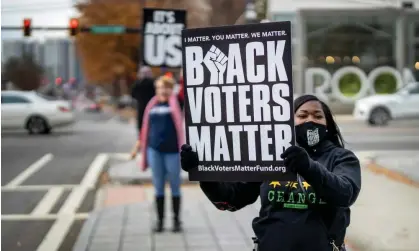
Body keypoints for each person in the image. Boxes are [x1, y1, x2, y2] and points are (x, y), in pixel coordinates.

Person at [180, 94, 362, 251]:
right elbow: (232, 198)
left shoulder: (342, 158)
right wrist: (203, 173)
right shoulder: (270, 156)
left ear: (327, 124)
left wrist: (308, 167)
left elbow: (345, 194)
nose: (310, 120)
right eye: (302, 115)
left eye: (317, 115)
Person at [130, 75, 184, 233]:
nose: (163, 91)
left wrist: (182, 75)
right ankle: (160, 222)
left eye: (166, 87)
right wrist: (137, 147)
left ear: (171, 89)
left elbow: (184, 90)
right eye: (160, 87)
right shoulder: (151, 105)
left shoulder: (177, 104)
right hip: (154, 151)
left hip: (173, 152)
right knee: (158, 187)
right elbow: (145, 128)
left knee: (175, 186)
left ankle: (176, 221)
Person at [131, 66, 156, 135]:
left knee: (141, 126)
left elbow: (133, 94)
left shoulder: (137, 83)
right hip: (152, 107)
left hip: (141, 107)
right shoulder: (153, 83)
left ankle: (142, 140)